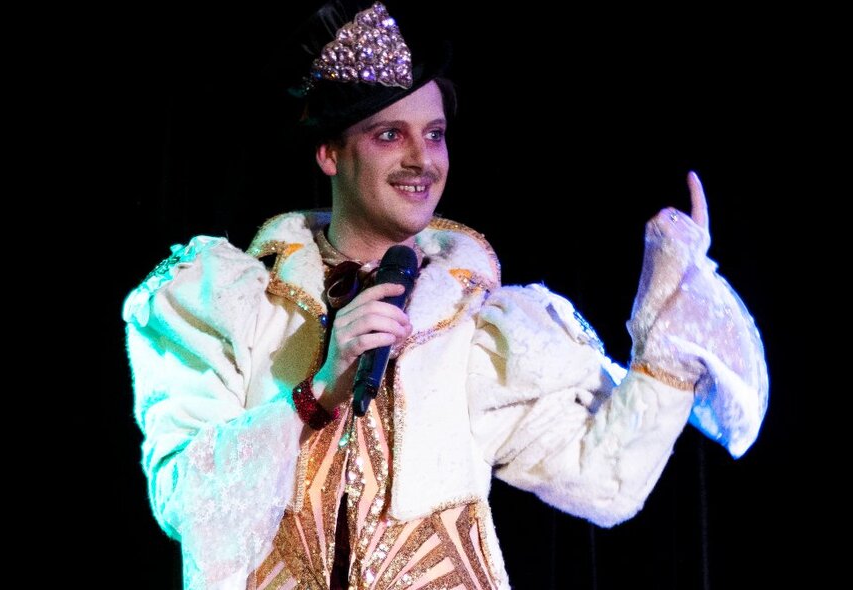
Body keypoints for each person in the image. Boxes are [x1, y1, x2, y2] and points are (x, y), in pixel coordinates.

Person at [122, 1, 769, 588]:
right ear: (328, 153)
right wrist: (314, 395)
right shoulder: (229, 308)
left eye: (433, 134)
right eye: (388, 135)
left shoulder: (467, 325)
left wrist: (673, 329)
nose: (420, 159)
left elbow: (605, 480)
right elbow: (185, 504)